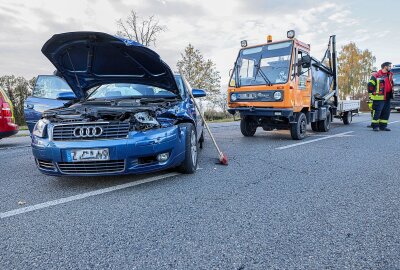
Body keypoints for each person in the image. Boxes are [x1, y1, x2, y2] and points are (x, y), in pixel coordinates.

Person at [368, 62, 394, 131]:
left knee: (386, 112)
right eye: (389, 66)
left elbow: (391, 84)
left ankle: (383, 126)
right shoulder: (376, 75)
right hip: (378, 97)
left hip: (387, 96)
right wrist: (371, 95)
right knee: (378, 111)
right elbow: (370, 85)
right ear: (385, 67)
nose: (390, 67)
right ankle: (375, 126)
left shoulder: (390, 75)